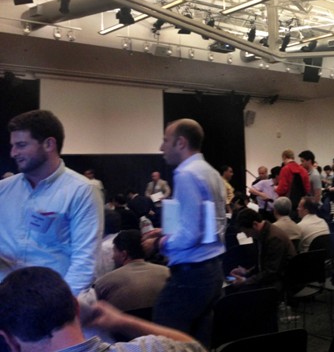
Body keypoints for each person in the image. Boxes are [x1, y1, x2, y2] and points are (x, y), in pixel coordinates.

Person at [142, 118, 227, 346]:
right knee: (197, 344)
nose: (161, 147)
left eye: (165, 140)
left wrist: (159, 243)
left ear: (180, 143)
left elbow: (190, 235)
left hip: (191, 275)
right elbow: (208, 223)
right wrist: (165, 231)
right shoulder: (211, 172)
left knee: (167, 343)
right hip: (212, 271)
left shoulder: (186, 174)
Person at [0, 109, 103, 295]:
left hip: (51, 300)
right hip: (6, 298)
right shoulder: (4, 189)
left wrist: (61, 305)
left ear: (49, 144)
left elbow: (85, 262)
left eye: (21, 145)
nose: (13, 153)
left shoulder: (81, 191)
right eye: (13, 146)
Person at [0, 266, 205, 352]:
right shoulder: (150, 348)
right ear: (76, 307)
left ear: (9, 340)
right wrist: (124, 321)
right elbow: (193, 346)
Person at [94, 229, 170, 314]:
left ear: (124, 254)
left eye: (114, 251)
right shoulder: (167, 273)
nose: (113, 257)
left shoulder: (103, 284)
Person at [229, 208, 296, 294]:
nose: (247, 236)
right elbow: (265, 265)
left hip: (281, 280)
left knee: (241, 293)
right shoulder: (265, 234)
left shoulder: (274, 238)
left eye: (247, 232)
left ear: (255, 224)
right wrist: (247, 272)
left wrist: (246, 281)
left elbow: (271, 272)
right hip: (274, 276)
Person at [275, 149, 311, 218]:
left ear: (284, 157)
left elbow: (282, 189)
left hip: (287, 205)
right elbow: (307, 188)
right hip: (301, 204)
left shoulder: (285, 169)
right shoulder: (303, 170)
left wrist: (276, 189)